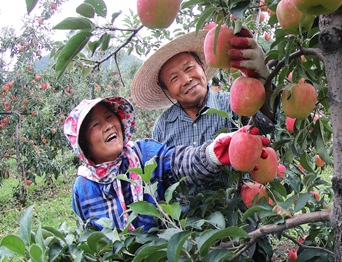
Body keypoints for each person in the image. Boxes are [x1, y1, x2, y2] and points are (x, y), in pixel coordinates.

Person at [63, 96, 268, 231]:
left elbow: (178, 161)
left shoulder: (143, 154)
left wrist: (211, 155)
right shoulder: (83, 188)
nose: (108, 126)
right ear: (84, 145)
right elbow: (88, 234)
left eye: (109, 117)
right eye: (96, 125)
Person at [131, 28, 278, 148]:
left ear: (202, 66)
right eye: (174, 78)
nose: (186, 80)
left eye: (189, 68)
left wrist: (263, 79)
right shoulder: (163, 127)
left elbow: (264, 124)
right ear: (167, 90)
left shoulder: (231, 104)